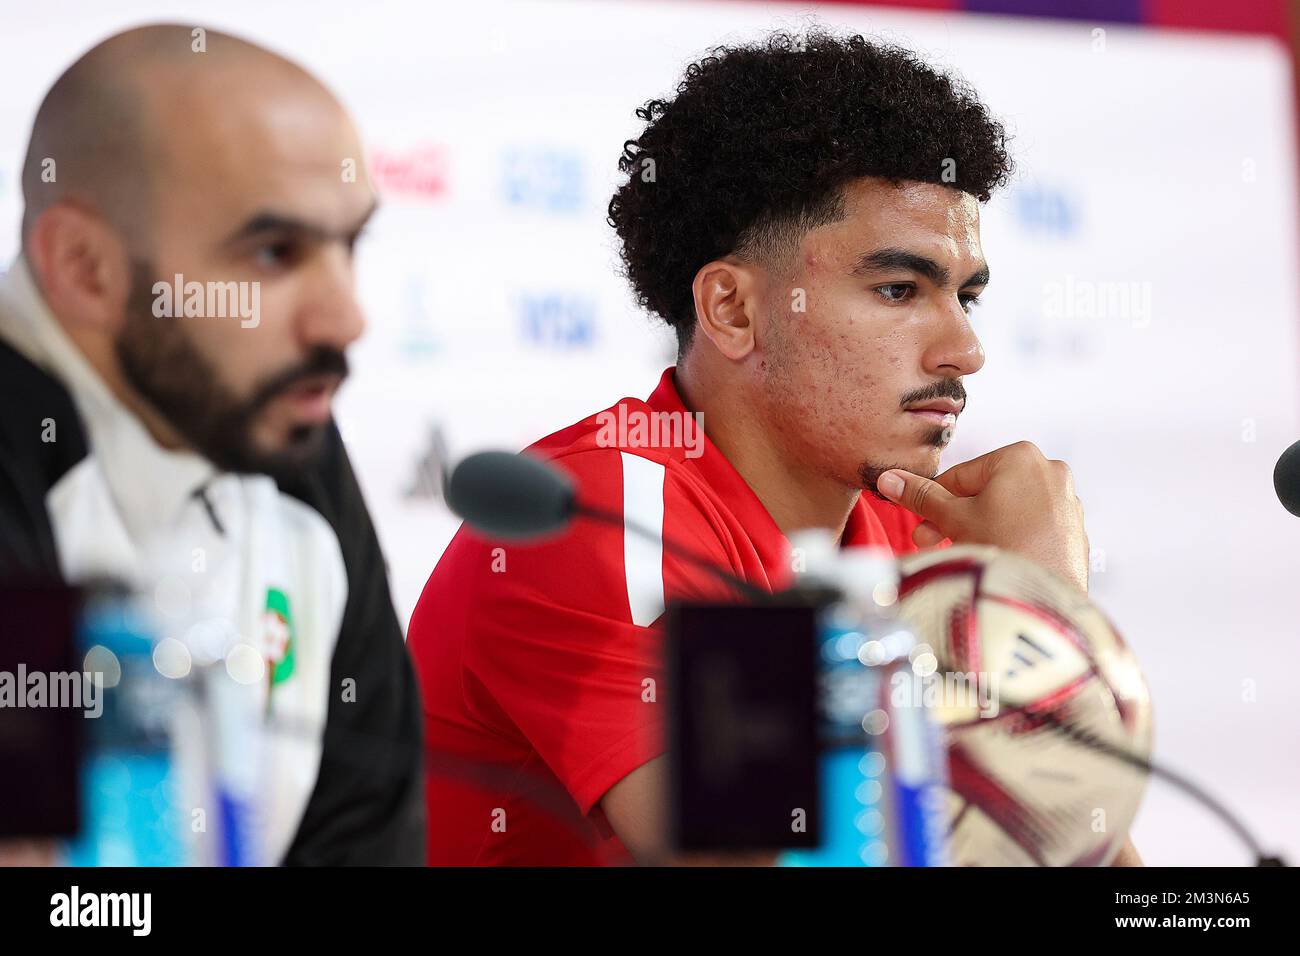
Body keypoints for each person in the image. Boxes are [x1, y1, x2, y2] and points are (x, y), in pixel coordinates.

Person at [408, 30, 1138, 865]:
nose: (964, 350)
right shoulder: (608, 516)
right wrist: (1033, 616)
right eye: (899, 289)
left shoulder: (904, 530)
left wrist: (1023, 631)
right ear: (732, 311)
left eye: (966, 296)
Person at [0, 24, 423, 864]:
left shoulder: (261, 411)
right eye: (273, 252)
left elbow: (369, 833)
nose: (344, 319)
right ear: (84, 267)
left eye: (350, 244)